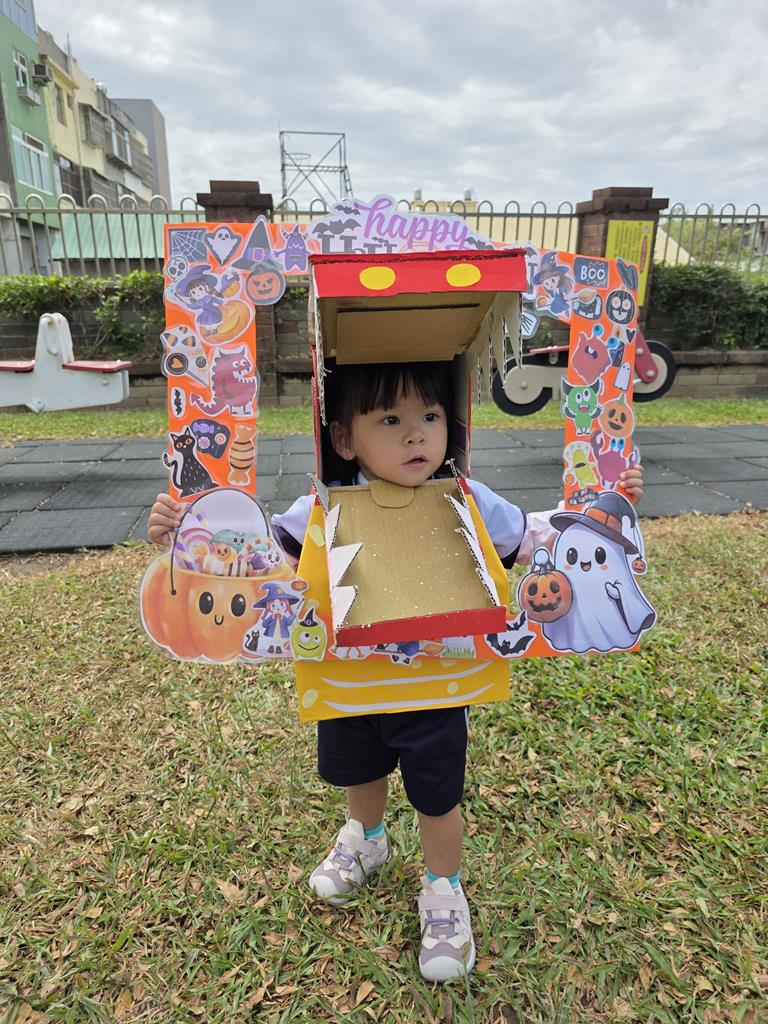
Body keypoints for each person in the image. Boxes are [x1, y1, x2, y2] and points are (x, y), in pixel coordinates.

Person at [148, 360, 644, 984]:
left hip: (435, 687)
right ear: (343, 438)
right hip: (350, 682)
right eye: (390, 419)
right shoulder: (321, 507)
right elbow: (255, 559)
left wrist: (610, 507)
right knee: (359, 770)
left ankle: (444, 890)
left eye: (429, 416)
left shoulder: (468, 499)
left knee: (438, 795)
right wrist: (186, 532)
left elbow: (541, 540)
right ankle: (367, 837)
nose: (416, 435)